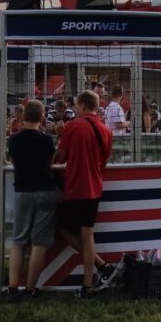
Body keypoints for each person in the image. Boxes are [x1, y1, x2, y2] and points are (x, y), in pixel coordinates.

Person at [55, 90, 116, 297]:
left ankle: (101, 267)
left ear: (82, 106)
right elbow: (104, 162)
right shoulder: (105, 129)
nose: (74, 109)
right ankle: (91, 281)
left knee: (64, 230)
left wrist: (60, 134)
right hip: (94, 188)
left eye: (75, 105)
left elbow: (60, 158)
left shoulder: (72, 127)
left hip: (75, 187)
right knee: (87, 233)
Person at [7, 101, 59, 300]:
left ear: (23, 117)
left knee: (19, 241)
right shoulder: (47, 140)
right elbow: (50, 163)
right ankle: (30, 288)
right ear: (43, 117)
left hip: (23, 191)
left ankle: (12, 287)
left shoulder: (14, 140)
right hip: (45, 190)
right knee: (39, 242)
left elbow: (14, 162)